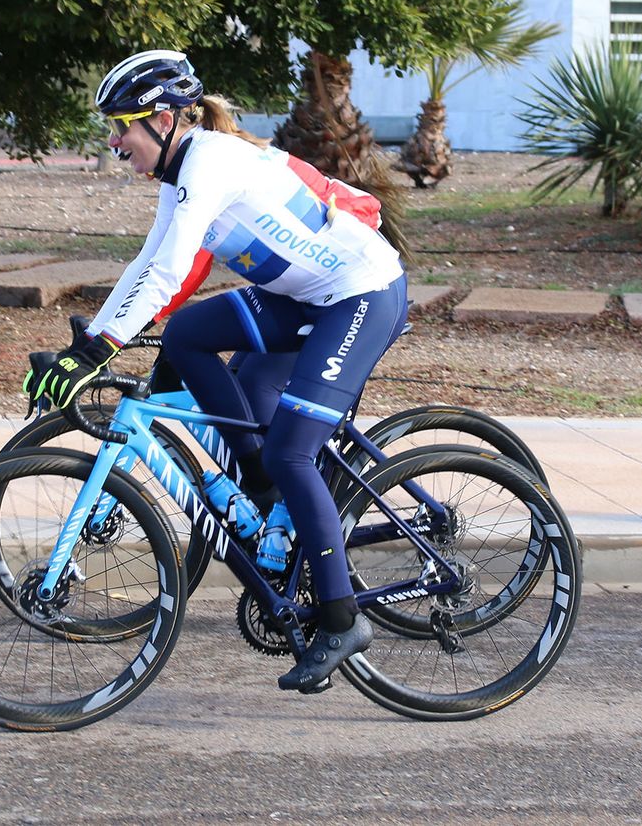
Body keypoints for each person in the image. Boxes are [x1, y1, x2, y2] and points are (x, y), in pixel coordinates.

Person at [24, 50, 409, 691]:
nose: (115, 142)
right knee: (191, 333)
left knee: (292, 453)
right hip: (308, 295)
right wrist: (90, 339)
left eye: (122, 126)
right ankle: (257, 484)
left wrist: (96, 354)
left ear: (167, 120)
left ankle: (341, 619)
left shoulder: (208, 163)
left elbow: (174, 271)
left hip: (360, 295)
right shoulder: (183, 172)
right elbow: (149, 264)